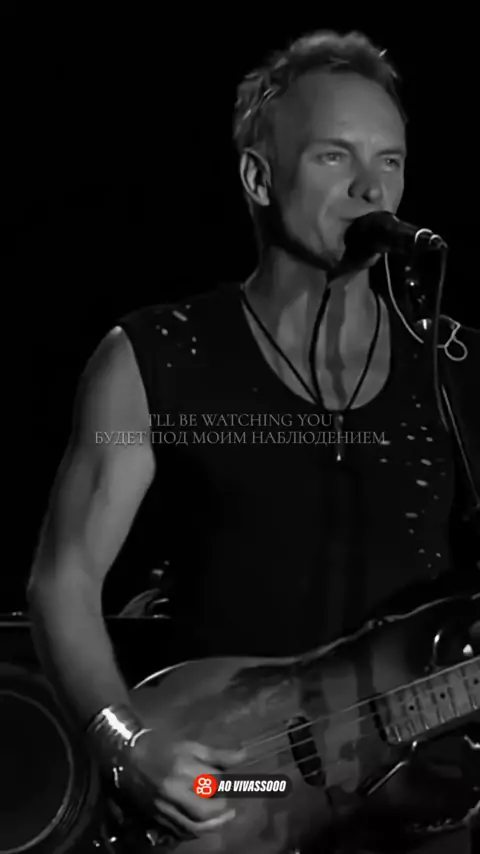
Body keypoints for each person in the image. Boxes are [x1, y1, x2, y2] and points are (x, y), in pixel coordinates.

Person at [27, 30, 479, 854]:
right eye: (335, 157)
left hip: (432, 806)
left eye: (390, 161)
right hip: (246, 780)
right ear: (259, 178)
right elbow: (65, 577)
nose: (372, 189)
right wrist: (125, 743)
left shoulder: (456, 369)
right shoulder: (159, 356)